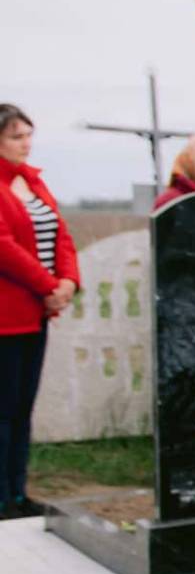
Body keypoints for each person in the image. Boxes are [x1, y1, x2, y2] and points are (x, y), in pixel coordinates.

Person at [0, 104, 78, 520]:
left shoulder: (32, 183)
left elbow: (61, 235)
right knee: (3, 409)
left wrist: (67, 282)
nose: (26, 144)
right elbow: (4, 246)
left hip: (35, 314)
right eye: (16, 136)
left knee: (22, 407)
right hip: (6, 316)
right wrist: (48, 285)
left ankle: (17, 492)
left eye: (29, 135)